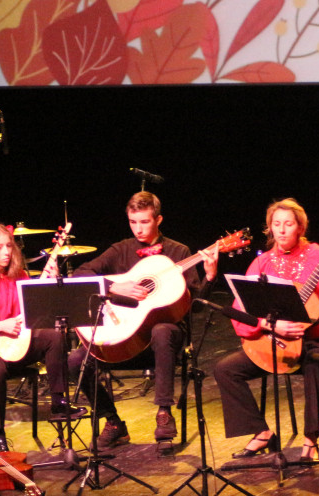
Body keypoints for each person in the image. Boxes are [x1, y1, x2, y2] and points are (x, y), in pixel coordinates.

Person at [215, 198, 319, 461]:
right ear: (270, 228)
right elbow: (239, 308)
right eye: (277, 224)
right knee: (224, 369)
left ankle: (310, 439)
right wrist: (270, 326)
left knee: (315, 362)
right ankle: (261, 432)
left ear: (300, 227)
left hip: (315, 340)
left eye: (288, 224)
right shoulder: (262, 263)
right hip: (273, 339)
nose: (282, 230)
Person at [68, 191, 218, 449]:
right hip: (125, 338)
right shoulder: (121, 249)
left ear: (158, 219)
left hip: (164, 342)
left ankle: (164, 413)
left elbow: (195, 308)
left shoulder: (178, 251)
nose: (138, 228)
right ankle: (113, 422)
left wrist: (210, 276)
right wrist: (115, 288)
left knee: (162, 330)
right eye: (133, 222)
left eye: (145, 222)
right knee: (74, 360)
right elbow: (81, 274)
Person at [0, 223, 75, 452]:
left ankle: (58, 402)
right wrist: (0, 326)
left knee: (54, 336)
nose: (6, 252)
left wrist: (51, 281)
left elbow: (37, 308)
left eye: (8, 246)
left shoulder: (18, 276)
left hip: (17, 344)